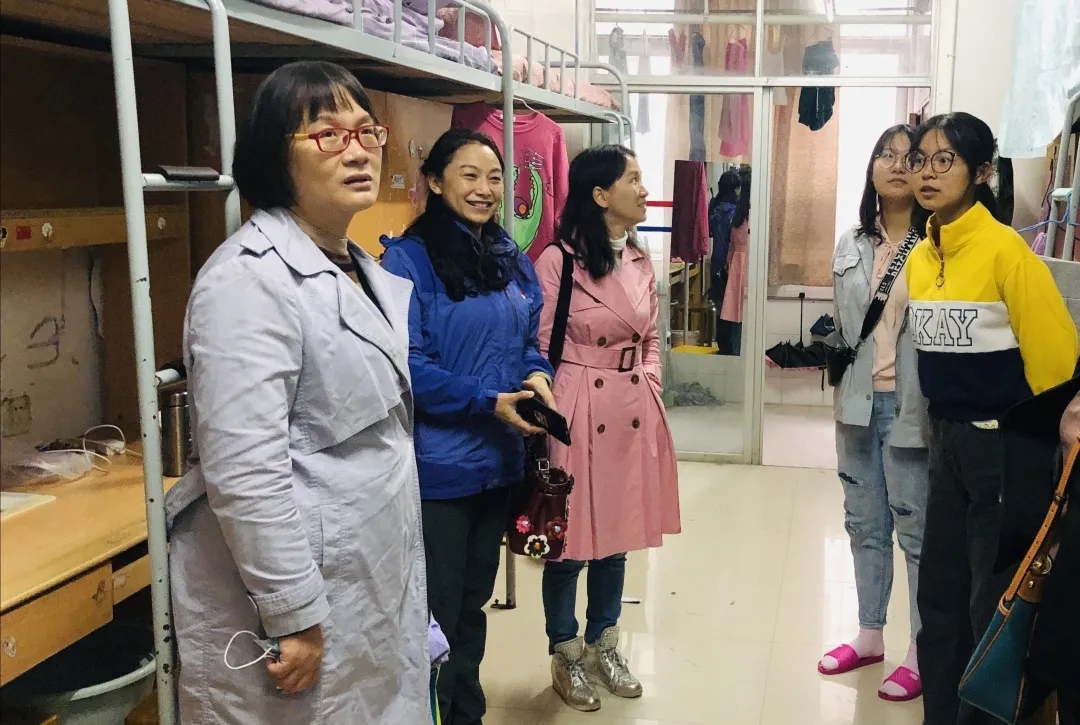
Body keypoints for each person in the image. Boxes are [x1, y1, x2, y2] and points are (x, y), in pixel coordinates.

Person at [165, 61, 430, 723]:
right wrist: (293, 613)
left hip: (364, 571)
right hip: (301, 594)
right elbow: (244, 470)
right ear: (273, 155)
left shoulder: (357, 266)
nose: (358, 150)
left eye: (366, 132)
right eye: (328, 135)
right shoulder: (248, 281)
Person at [904, 111, 1078, 725]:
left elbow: (1057, 367)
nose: (927, 173)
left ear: (981, 172)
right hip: (946, 442)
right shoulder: (920, 257)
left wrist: (1046, 467)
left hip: (1002, 449)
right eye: (920, 159)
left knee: (990, 601)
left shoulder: (1008, 253)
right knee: (938, 595)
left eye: (944, 160)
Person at [379, 128, 556, 725]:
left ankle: (465, 713)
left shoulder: (509, 257)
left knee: (472, 606)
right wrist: (485, 401)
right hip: (440, 469)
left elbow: (527, 341)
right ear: (434, 181)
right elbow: (406, 365)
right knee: (436, 615)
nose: (485, 189)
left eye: (495, 177)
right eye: (469, 175)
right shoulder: (408, 261)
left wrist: (538, 375)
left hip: (499, 461)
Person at [533, 144, 681, 712]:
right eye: (633, 180)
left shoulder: (640, 257)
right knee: (569, 541)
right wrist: (553, 407)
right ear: (600, 195)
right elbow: (537, 343)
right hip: (576, 406)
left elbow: (651, 335)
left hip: (630, 405)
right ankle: (565, 652)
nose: (644, 190)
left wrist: (651, 381)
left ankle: (605, 643)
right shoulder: (559, 260)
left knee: (616, 538)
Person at [820, 124, 931, 702]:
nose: (895, 164)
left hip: (913, 405)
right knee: (864, 523)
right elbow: (845, 325)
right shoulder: (850, 242)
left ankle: (921, 649)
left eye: (908, 157)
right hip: (857, 403)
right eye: (885, 154)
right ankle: (869, 634)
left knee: (915, 530)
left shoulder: (935, 243)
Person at [708, 169, 741, 355]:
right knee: (730, 310)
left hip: (716, 263)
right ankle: (729, 350)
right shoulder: (732, 213)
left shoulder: (715, 208)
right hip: (729, 264)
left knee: (721, 307)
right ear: (735, 188)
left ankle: (722, 347)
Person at [718, 167, 751, 356]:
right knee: (744, 313)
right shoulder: (752, 217)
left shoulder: (737, 215)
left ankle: (733, 352)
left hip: (735, 265)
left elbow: (730, 246)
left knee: (735, 314)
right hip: (746, 264)